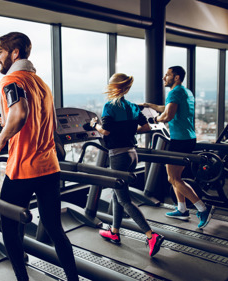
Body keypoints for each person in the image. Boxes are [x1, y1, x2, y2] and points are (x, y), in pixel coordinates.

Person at [0, 32, 79, 281]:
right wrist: (6, 122)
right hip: (49, 167)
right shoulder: (40, 83)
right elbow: (35, 118)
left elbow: (19, 113)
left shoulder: (11, 80)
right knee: (55, 229)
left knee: (8, 227)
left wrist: (0, 139)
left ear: (14, 53)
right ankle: (73, 278)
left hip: (22, 168)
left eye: (0, 51)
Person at [89, 73, 165, 257]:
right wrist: (129, 130)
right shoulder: (132, 106)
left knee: (124, 200)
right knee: (118, 194)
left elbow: (105, 131)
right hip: (132, 154)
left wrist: (94, 125)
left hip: (118, 156)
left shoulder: (110, 106)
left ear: (113, 87)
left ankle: (151, 234)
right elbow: (145, 127)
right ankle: (114, 232)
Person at [141, 66, 214, 229]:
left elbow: (168, 115)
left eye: (167, 75)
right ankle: (182, 209)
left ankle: (203, 208)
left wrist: (153, 121)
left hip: (179, 140)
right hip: (187, 138)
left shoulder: (174, 93)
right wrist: (149, 105)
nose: (164, 78)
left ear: (176, 77)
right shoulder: (185, 92)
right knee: (174, 177)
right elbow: (167, 109)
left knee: (174, 178)